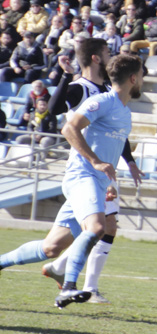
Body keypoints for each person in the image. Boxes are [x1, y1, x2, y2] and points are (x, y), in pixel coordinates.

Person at [0, 54, 142, 309]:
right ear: (133, 78)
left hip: (95, 183)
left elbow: (110, 148)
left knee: (51, 248)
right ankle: (68, 288)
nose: (142, 79)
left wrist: (108, 181)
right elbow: (69, 129)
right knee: (97, 228)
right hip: (81, 176)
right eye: (141, 75)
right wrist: (96, 162)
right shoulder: (102, 102)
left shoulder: (125, 112)